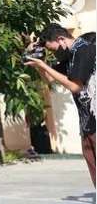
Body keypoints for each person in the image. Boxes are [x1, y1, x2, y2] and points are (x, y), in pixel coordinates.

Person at [25, 24, 96, 186]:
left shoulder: (84, 50)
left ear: (62, 39)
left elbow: (75, 86)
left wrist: (43, 65)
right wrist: (39, 62)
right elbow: (49, 79)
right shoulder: (70, 55)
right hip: (87, 123)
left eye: (53, 48)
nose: (54, 53)